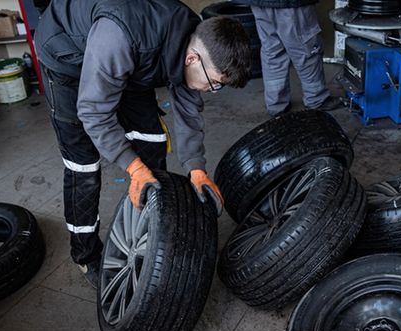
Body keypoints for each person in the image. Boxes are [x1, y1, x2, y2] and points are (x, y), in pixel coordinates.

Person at [35, 0, 252, 288]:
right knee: (83, 164)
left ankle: (150, 224)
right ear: (192, 59)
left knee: (151, 138)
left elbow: (188, 109)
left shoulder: (188, 33)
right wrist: (133, 167)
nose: (213, 92)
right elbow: (94, 112)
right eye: (214, 84)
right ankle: (85, 255)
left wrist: (196, 169)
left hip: (130, 58)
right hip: (66, 57)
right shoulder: (120, 37)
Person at [239, 0, 343, 117]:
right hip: (289, 3)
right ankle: (316, 98)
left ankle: (276, 104)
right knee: (306, 50)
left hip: (259, 3)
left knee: (272, 51)